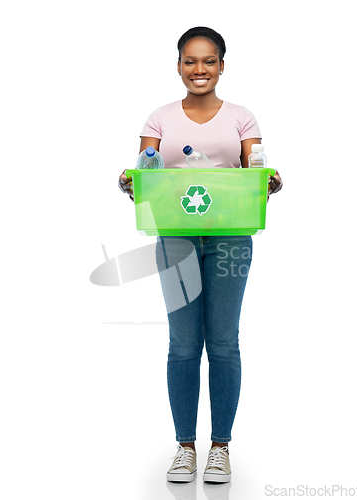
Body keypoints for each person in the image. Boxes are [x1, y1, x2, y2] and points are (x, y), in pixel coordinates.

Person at [119, 27, 282, 483]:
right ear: (178, 66)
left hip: (230, 237)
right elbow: (145, 174)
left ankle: (221, 447)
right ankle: (186, 447)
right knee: (184, 344)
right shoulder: (160, 118)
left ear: (222, 66)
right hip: (176, 238)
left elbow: (256, 170)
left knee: (224, 341)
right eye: (190, 61)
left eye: (209, 61)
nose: (199, 70)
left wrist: (271, 181)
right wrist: (127, 181)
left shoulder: (243, 118)